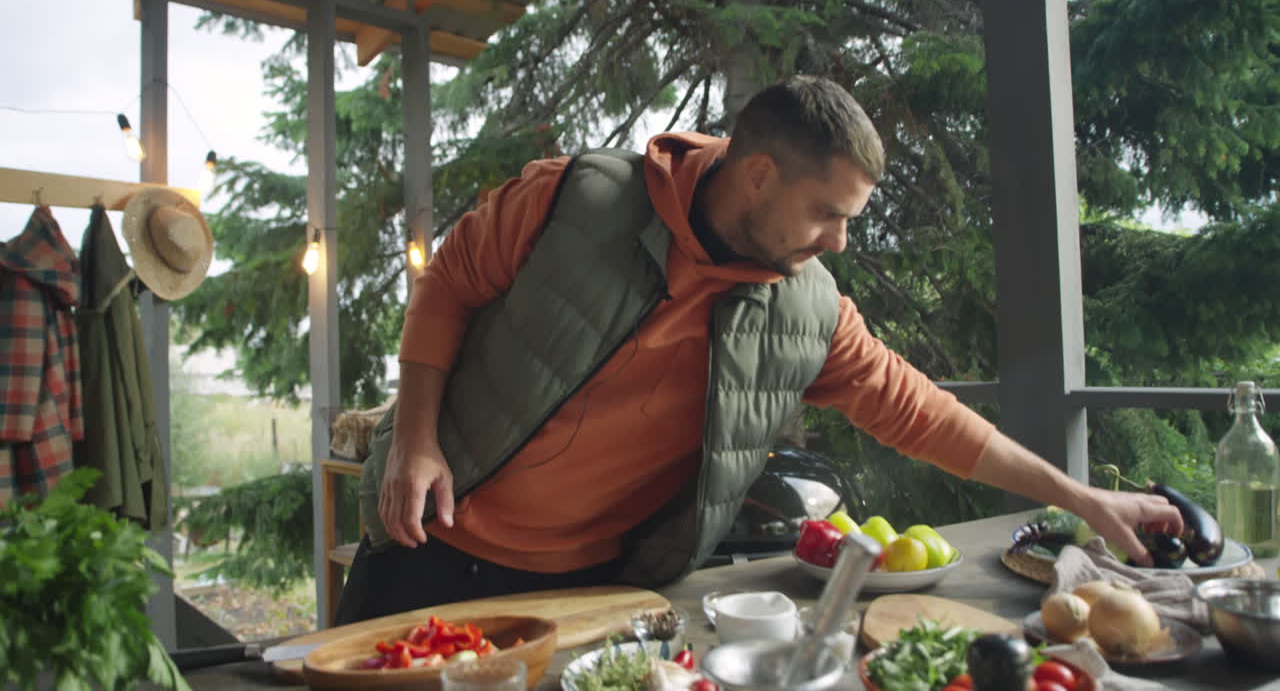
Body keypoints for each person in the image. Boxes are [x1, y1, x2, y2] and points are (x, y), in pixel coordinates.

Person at [333, 76, 1182, 624]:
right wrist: (413, 437)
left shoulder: (811, 308)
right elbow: (449, 282)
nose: (840, 241)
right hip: (432, 549)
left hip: (595, 589)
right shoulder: (573, 199)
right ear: (761, 175)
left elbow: (926, 416)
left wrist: (1083, 499)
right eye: (827, 212)